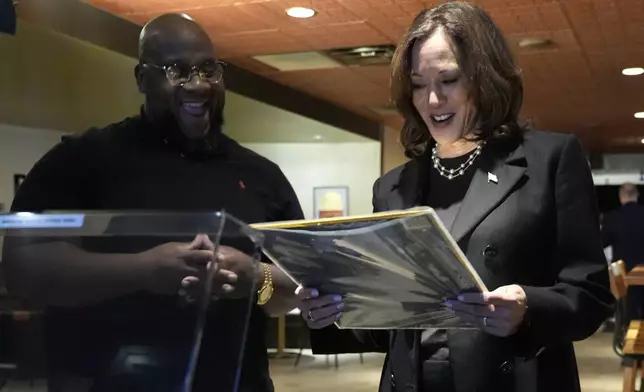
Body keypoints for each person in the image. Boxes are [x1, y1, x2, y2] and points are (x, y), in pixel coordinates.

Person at [2, 13, 331, 392]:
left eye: (209, 69)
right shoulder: (84, 159)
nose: (198, 84)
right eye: (177, 70)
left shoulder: (262, 175)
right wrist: (143, 270)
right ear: (143, 78)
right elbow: (23, 268)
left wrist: (256, 278)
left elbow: (301, 284)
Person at [297, 2, 614, 392]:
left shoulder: (549, 160)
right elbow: (388, 327)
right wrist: (334, 310)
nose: (432, 100)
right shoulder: (393, 186)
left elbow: (592, 295)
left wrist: (528, 308)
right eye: (418, 84)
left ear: (484, 78)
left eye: (447, 80)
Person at [602, 183, 644, 322]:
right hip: (642, 271)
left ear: (621, 197)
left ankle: (628, 337)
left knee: (625, 310)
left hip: (621, 273)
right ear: (637, 196)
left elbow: (602, 243)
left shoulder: (612, 218)